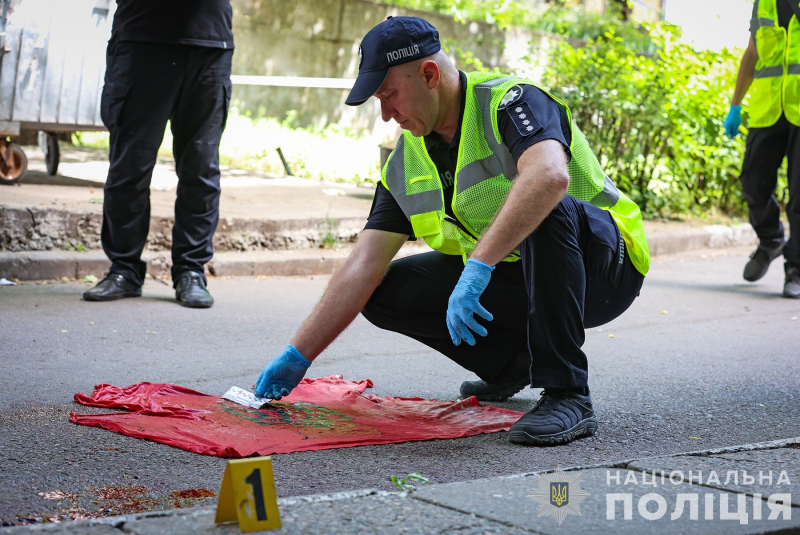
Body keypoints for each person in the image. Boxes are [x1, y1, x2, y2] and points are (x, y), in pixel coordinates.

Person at [254, 16, 650, 446]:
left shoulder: (509, 101)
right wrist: (299, 354)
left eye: (389, 95)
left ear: (428, 75)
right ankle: (512, 364)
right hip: (523, 274)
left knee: (541, 202)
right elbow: (362, 265)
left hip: (604, 268)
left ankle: (568, 393)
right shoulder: (404, 163)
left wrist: (477, 268)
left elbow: (550, 177)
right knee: (382, 290)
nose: (386, 114)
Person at [83, 0, 234, 308]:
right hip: (142, 41)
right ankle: (124, 269)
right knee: (130, 165)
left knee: (201, 168)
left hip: (209, 45)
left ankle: (191, 271)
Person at [724, 0, 800, 297]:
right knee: (754, 183)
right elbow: (753, 52)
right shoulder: (764, 4)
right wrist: (735, 104)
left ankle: (795, 269)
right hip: (768, 110)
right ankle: (771, 239)